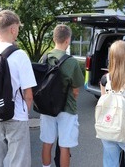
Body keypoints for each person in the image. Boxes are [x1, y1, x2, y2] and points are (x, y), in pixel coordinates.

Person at [0, 10, 36, 167]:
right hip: (16, 115)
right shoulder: (19, 55)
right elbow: (28, 94)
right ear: (13, 28)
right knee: (17, 161)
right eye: (18, 28)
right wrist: (25, 113)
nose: (18, 31)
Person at [40, 24, 84, 167]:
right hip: (67, 108)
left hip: (46, 107)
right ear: (68, 40)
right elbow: (76, 89)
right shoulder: (71, 62)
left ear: (54, 38)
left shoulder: (45, 57)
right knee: (64, 145)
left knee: (47, 142)